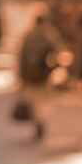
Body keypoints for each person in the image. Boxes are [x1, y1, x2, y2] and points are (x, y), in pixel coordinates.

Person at [16, 14, 59, 142]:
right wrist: (54, 68)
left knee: (34, 102)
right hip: (44, 75)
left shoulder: (28, 36)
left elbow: (22, 58)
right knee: (42, 102)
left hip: (30, 76)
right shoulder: (49, 36)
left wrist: (21, 76)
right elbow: (58, 53)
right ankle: (40, 123)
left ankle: (37, 124)